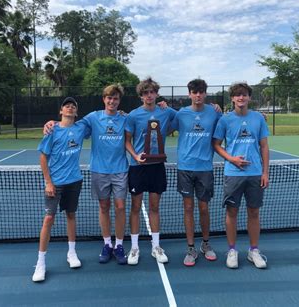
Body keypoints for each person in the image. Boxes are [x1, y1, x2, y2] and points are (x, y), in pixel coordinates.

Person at [43, 85, 129, 265]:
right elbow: (68, 124)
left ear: (119, 101)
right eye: (109, 98)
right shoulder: (92, 118)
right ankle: (107, 244)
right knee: (104, 206)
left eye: (115, 99)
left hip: (120, 169)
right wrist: (52, 122)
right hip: (99, 170)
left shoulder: (124, 118)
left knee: (120, 206)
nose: (112, 101)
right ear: (104, 99)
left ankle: (119, 245)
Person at [212, 82, 270, 269]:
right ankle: (232, 250)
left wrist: (265, 172)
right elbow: (217, 144)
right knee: (232, 212)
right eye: (237, 95)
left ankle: (254, 251)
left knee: (254, 212)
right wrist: (232, 159)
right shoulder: (225, 120)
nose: (241, 98)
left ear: (249, 97)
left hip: (255, 174)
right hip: (233, 173)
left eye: (244, 95)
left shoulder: (258, 118)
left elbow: (264, 146)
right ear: (232, 98)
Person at [32, 97, 91, 282]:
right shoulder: (52, 130)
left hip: (75, 180)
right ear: (61, 111)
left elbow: (102, 120)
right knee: (49, 218)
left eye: (73, 106)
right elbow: (43, 157)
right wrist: (48, 182)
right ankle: (40, 263)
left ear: (76, 112)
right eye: (67, 106)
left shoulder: (81, 128)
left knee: (71, 215)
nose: (70, 107)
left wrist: (121, 112)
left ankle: (71, 253)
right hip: (55, 183)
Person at [125, 77, 177, 265]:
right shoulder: (133, 115)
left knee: (155, 207)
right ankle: (134, 248)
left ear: (156, 93)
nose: (149, 95)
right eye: (145, 93)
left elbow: (181, 118)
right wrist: (135, 156)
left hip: (157, 167)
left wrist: (167, 106)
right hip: (137, 168)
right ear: (141, 96)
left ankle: (156, 246)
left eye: (152, 92)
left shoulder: (165, 111)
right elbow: (127, 140)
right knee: (135, 208)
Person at [171, 79, 221, 267]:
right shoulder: (181, 114)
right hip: (185, 168)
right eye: (194, 91)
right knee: (188, 209)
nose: (198, 95)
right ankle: (190, 248)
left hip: (205, 169)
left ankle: (205, 245)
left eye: (201, 92)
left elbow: (232, 121)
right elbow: (165, 127)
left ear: (205, 93)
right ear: (189, 94)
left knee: (204, 209)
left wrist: (259, 115)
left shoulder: (214, 113)